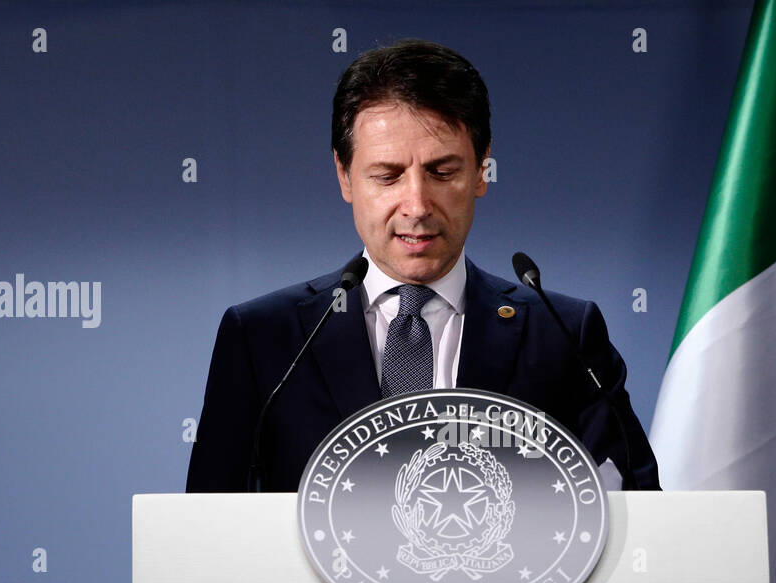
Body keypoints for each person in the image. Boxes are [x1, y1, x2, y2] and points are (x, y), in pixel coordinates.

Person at [185, 39, 659, 494]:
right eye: (388, 176)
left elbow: (639, 518)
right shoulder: (265, 339)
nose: (416, 204)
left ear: (481, 172)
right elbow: (202, 539)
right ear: (345, 176)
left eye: (442, 172)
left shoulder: (564, 335)